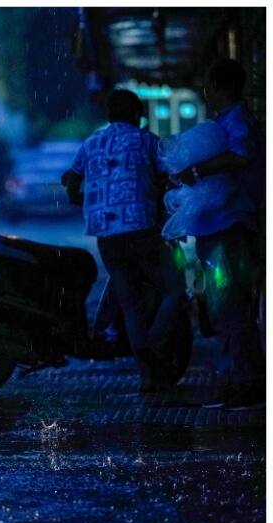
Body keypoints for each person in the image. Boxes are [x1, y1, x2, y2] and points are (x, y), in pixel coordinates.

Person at [61, 89, 186, 392]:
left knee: (130, 306)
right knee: (176, 291)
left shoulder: (91, 143)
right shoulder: (147, 141)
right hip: (142, 230)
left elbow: (70, 180)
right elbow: (169, 178)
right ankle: (152, 347)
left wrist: (88, 201)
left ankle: (147, 378)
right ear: (137, 115)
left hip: (107, 236)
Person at [174, 58, 265, 410]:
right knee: (225, 305)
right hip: (222, 225)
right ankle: (243, 376)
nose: (206, 94)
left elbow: (241, 156)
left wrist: (199, 169)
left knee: (228, 305)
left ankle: (245, 381)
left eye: (208, 87)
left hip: (230, 226)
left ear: (219, 87)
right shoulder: (228, 121)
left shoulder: (237, 121)